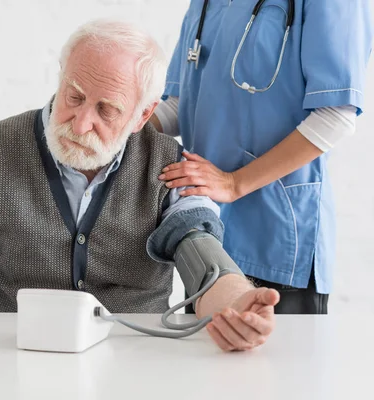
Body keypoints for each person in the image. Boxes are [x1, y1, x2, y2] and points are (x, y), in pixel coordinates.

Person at [0, 19, 279, 352]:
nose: (81, 123)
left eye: (107, 110)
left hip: (136, 365)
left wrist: (236, 303)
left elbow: (201, 252)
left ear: (143, 116)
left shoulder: (169, 165)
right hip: (11, 364)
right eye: (75, 96)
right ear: (60, 78)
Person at [150, 0, 373, 314]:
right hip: (204, 236)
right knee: (202, 361)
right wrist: (109, 118)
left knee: (275, 361)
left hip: (277, 240)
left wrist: (234, 183)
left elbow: (335, 116)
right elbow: (179, 104)